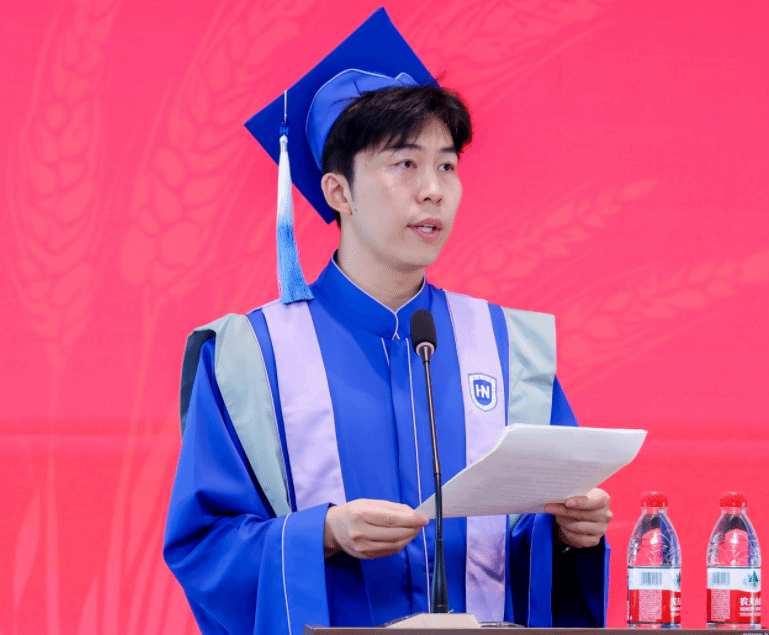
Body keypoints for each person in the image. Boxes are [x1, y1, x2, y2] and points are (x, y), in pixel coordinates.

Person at [164, 9, 612, 635]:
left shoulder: (508, 348)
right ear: (338, 193)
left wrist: (572, 532)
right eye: (404, 164)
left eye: (447, 166)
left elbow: (541, 531)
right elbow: (205, 546)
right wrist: (321, 533)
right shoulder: (251, 357)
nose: (433, 190)